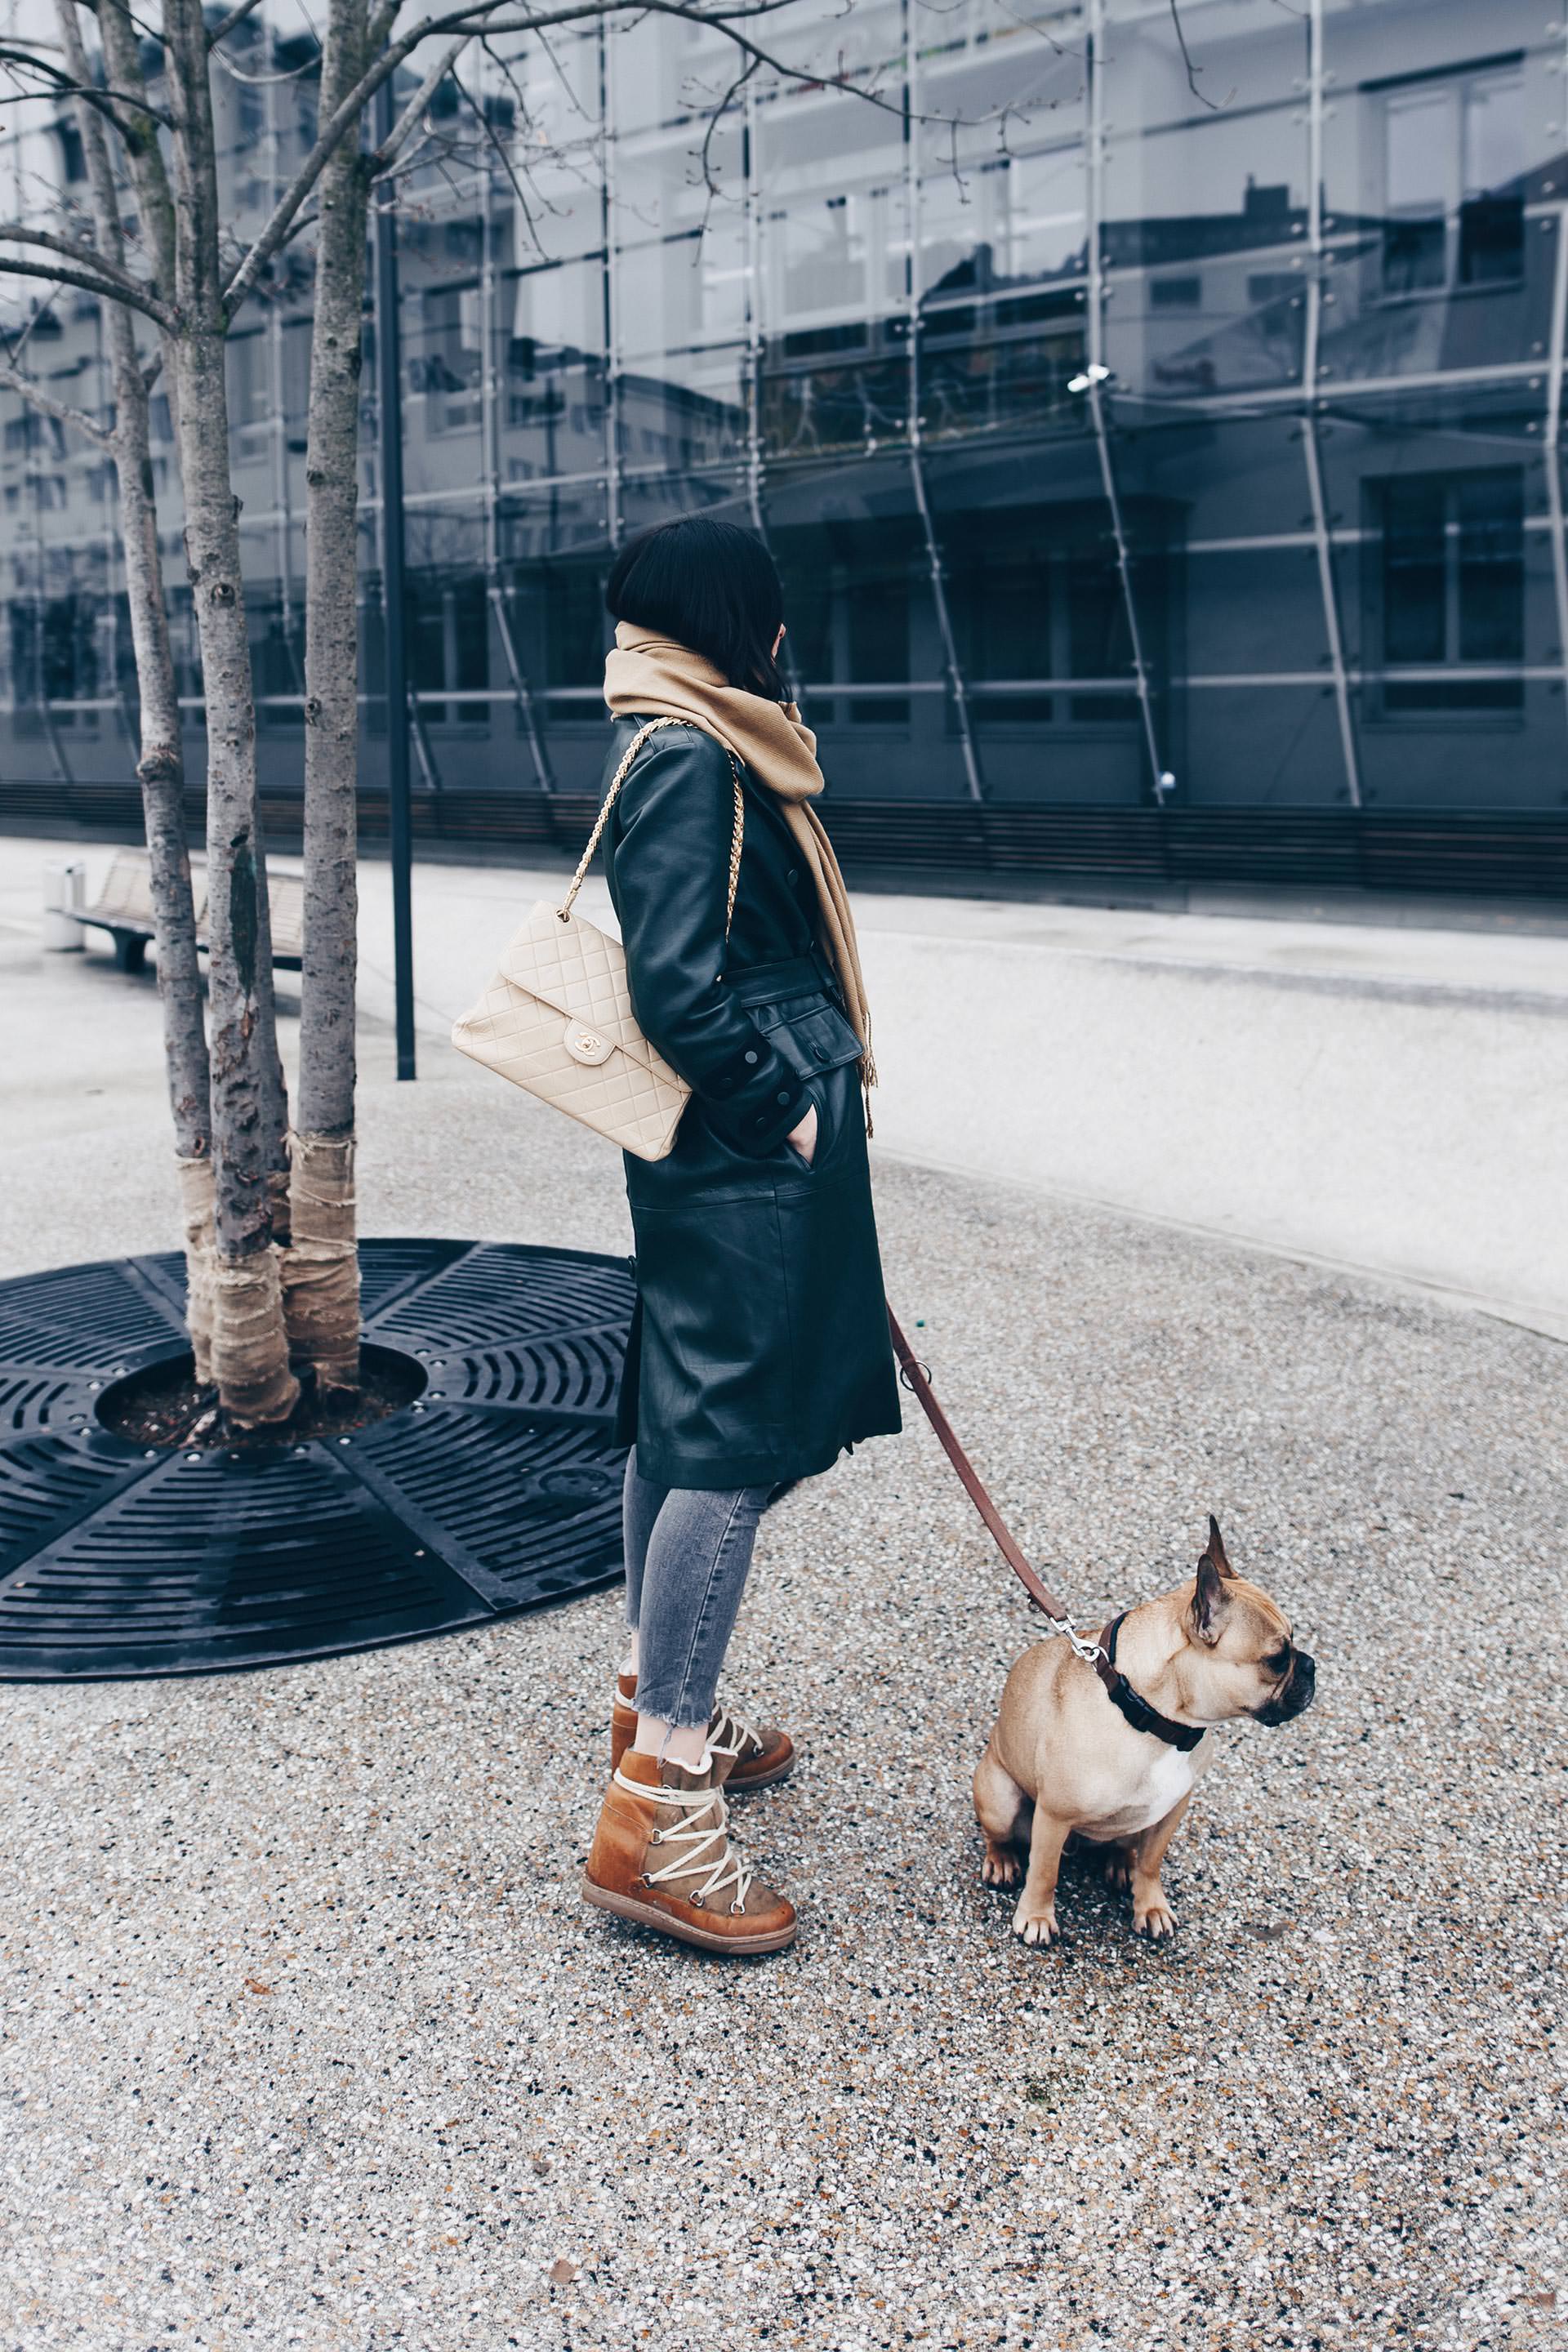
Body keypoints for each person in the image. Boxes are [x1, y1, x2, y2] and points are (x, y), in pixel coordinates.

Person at [580, 514, 902, 1957]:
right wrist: (786, 1113)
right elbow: (675, 982)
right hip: (742, 1155)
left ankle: (658, 1710)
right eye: (772, 612)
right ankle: (664, 1802)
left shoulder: (688, 733)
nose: (785, 635)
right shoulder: (696, 752)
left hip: (730, 1155)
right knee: (731, 1443)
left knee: (682, 1416)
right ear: (740, 618)